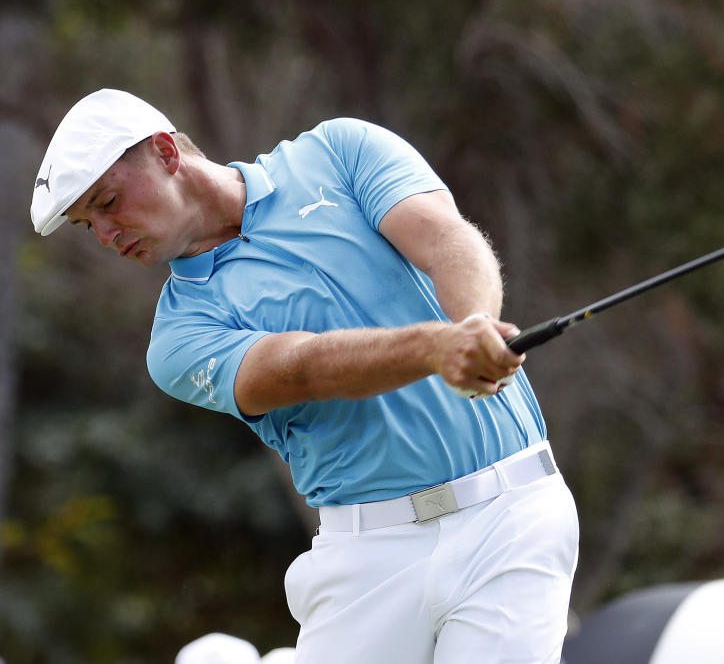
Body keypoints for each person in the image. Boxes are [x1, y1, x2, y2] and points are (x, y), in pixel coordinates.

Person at [30, 88, 579, 663]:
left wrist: (477, 329)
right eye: (85, 223)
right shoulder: (178, 337)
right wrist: (438, 347)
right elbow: (301, 369)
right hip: (370, 555)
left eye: (108, 200)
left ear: (167, 153)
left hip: (513, 515)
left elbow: (445, 238)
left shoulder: (339, 152)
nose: (105, 235)